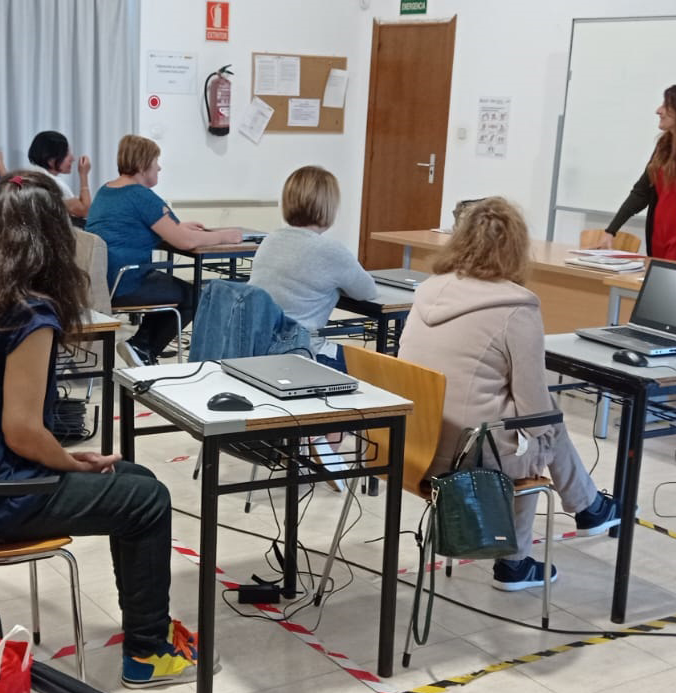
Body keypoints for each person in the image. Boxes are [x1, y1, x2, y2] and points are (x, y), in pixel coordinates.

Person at [0, 170, 203, 688]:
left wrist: (70, 462)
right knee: (147, 501)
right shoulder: (26, 312)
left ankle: (151, 632)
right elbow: (23, 431)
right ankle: (147, 652)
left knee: (135, 479)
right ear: (53, 238)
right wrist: (70, 462)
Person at [398, 197, 622, 591]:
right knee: (540, 425)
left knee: (536, 420)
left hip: (414, 445)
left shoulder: (429, 291)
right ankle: (525, 556)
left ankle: (588, 507)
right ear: (517, 248)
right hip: (467, 458)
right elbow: (533, 412)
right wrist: (543, 426)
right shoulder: (517, 307)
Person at [84, 134, 241, 366]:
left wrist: (180, 228)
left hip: (100, 281)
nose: (159, 167)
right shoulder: (140, 196)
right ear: (142, 165)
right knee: (193, 295)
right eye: (155, 161)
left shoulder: (106, 190)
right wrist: (224, 236)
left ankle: (140, 345)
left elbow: (151, 227)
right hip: (126, 283)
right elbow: (185, 242)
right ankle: (142, 346)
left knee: (169, 285)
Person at [248, 166, 377, 372]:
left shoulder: (270, 240)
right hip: (302, 353)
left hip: (258, 349)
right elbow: (367, 291)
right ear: (329, 206)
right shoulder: (330, 250)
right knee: (373, 367)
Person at [599, 84, 676, 267]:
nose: (658, 111)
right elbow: (641, 192)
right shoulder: (665, 144)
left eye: (666, 106)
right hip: (659, 238)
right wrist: (611, 230)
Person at [27, 130, 93, 219]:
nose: (73, 159)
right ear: (50, 160)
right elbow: (85, 211)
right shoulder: (52, 183)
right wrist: (83, 174)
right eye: (66, 154)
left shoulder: (31, 174)